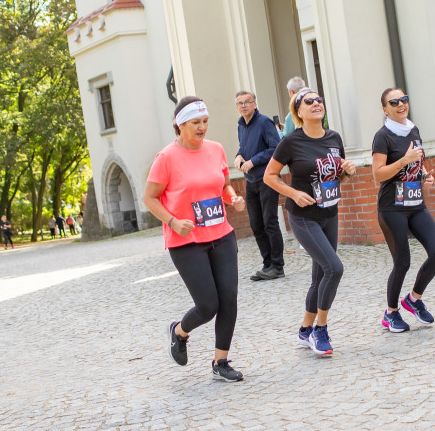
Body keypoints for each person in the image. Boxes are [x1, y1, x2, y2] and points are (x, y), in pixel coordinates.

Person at [143, 95, 247, 382]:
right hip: (186, 241)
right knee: (207, 305)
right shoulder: (166, 158)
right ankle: (179, 331)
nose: (202, 128)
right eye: (195, 123)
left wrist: (233, 198)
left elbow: (223, 184)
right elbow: (149, 198)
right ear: (180, 125)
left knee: (229, 298)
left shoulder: (215, 150)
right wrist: (173, 221)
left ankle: (221, 362)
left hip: (221, 234)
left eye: (205, 122)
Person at [264, 87, 356, 357]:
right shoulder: (291, 142)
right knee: (334, 268)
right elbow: (270, 176)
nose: (316, 103)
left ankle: (305, 330)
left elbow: (334, 177)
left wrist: (347, 172)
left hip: (329, 213)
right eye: (309, 101)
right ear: (299, 112)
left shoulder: (334, 137)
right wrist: (293, 193)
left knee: (319, 277)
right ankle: (320, 330)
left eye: (319, 99)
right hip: (303, 217)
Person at [373, 89, 435, 333]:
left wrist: (424, 175)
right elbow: (378, 174)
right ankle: (390, 312)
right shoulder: (382, 136)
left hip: (415, 204)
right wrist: (404, 161)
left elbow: (418, 160)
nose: (400, 104)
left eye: (404, 100)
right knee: (402, 262)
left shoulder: (413, 129)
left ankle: (414, 299)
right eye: (393, 102)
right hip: (392, 207)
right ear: (385, 109)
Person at [234, 90, 285, 281]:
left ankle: (277, 266)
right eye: (240, 103)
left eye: (247, 102)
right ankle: (267, 264)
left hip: (266, 179)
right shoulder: (241, 125)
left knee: (269, 222)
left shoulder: (264, 122)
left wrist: (253, 161)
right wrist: (239, 155)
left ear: (255, 104)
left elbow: (276, 148)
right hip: (250, 180)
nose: (244, 106)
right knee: (256, 224)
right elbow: (244, 147)